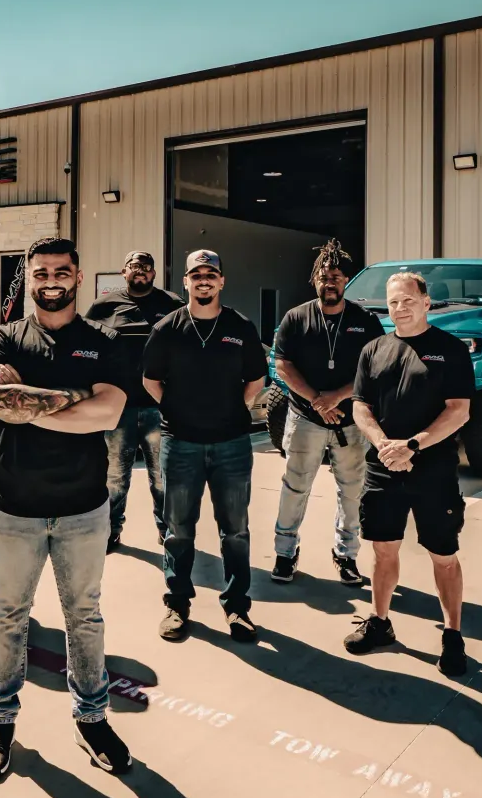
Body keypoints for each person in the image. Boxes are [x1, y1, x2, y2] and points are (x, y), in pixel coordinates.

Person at [0, 235, 129, 782]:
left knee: (83, 618)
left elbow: (109, 413)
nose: (51, 281)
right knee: (7, 615)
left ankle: (92, 719)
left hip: (84, 507)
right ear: (29, 277)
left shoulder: (102, 340)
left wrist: (31, 403)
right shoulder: (3, 337)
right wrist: (72, 396)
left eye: (61, 271)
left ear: (78, 277)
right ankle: (0, 719)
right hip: (14, 506)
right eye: (40, 272)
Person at [346, 271, 474, 676]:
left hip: (432, 470)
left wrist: (413, 445)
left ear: (426, 302)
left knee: (444, 556)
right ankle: (380, 622)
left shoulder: (450, 350)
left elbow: (459, 411)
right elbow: (360, 407)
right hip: (383, 468)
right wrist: (385, 445)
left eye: (407, 301)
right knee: (383, 550)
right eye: (392, 302)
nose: (398, 309)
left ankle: (453, 635)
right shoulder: (374, 350)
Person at [143, 250, 267, 644]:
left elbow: (255, 380)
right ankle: (177, 604)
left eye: (210, 274)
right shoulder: (167, 328)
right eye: (196, 274)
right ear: (185, 282)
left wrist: (233, 411)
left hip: (231, 444)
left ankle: (237, 608)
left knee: (236, 531)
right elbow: (150, 380)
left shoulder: (240, 327)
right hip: (180, 444)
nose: (203, 281)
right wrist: (178, 411)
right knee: (178, 530)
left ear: (221, 281)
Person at [270, 240, 383, 587]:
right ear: (314, 280)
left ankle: (346, 555)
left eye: (335, 275)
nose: (328, 281)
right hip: (305, 417)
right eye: (323, 275)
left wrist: (337, 397)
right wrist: (318, 399)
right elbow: (283, 364)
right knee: (295, 486)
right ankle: (285, 553)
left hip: (350, 422)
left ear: (346, 280)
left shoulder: (365, 321)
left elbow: (374, 368)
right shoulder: (296, 317)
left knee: (352, 490)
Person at [84, 250, 181, 552]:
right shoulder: (103, 306)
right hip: (118, 409)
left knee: (163, 477)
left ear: (154, 274)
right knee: (114, 477)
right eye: (134, 266)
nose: (140, 271)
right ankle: (111, 531)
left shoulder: (173, 305)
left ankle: (167, 532)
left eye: (146, 267)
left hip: (160, 407)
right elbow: (86, 348)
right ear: (123, 272)